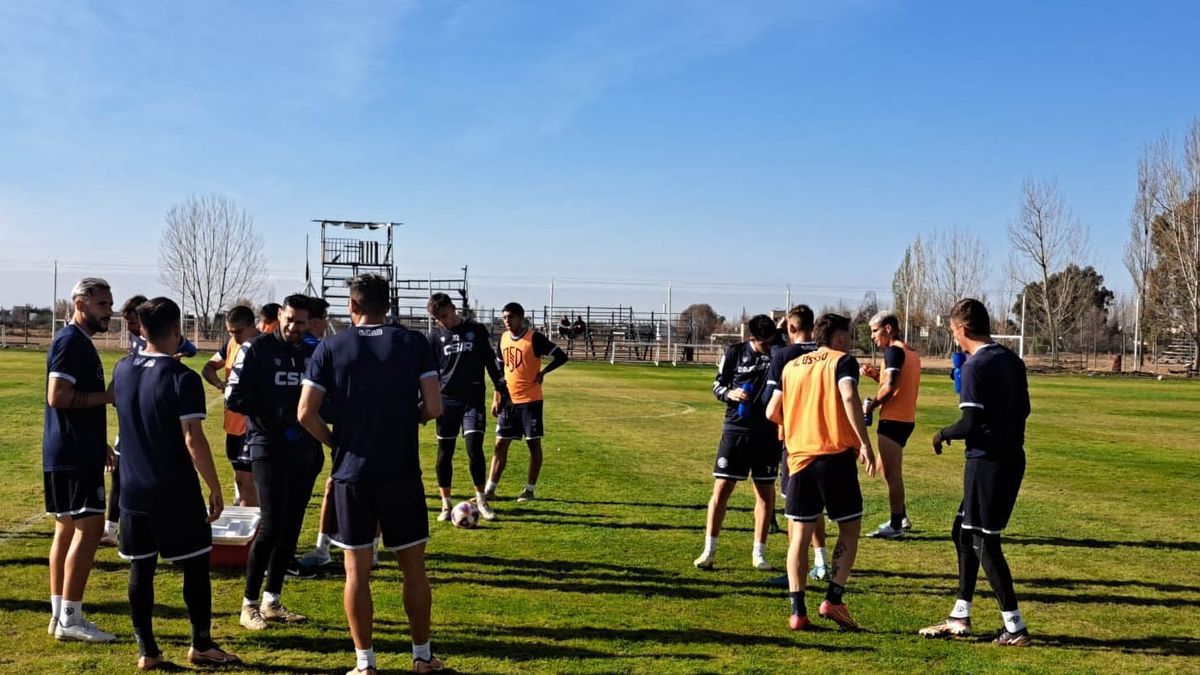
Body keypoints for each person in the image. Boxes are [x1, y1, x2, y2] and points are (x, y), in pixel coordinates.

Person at [298, 273, 445, 674]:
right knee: (413, 567)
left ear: (353, 306)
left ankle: (365, 663)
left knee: (355, 572)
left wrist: (335, 442)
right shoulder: (413, 343)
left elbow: (304, 413)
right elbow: (433, 407)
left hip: (351, 473)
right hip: (400, 471)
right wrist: (409, 417)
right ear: (389, 306)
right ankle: (422, 657)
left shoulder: (329, 347)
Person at [112, 297, 240, 669]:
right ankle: (201, 644)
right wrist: (215, 487)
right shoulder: (181, 377)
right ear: (175, 329)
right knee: (196, 566)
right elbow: (192, 438)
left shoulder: (122, 369)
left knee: (142, 567)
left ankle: (147, 651)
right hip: (173, 491)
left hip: (132, 489)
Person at [920, 299, 1031, 646]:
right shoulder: (1013, 360)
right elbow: (1023, 410)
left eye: (953, 331)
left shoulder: (974, 366)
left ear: (962, 329)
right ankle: (960, 614)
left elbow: (970, 422)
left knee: (984, 541)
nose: (953, 337)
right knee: (962, 532)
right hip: (1011, 458)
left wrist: (941, 435)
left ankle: (1014, 627)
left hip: (987, 462)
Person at [766, 313, 877, 631]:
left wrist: (799, 423)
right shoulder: (842, 362)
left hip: (798, 459)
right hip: (834, 457)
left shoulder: (791, 367)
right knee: (850, 529)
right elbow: (848, 395)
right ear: (839, 338)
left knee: (798, 537)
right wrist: (865, 443)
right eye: (849, 335)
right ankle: (834, 599)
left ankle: (797, 612)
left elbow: (772, 411)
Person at [225, 294, 320, 630]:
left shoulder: (313, 351)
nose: (293, 327)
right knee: (271, 523)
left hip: (304, 448)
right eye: (289, 319)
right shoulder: (257, 349)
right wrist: (279, 414)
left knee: (291, 526)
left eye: (301, 322)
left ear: (310, 323)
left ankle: (273, 600)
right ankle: (248, 604)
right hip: (267, 445)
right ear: (280, 315)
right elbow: (233, 397)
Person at [43, 277, 117, 643]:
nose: (110, 311)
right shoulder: (72, 342)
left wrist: (98, 442)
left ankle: (59, 615)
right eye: (103, 305)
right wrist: (107, 397)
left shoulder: (76, 342)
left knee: (67, 528)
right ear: (81, 302)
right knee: (90, 528)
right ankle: (72, 618)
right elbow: (58, 396)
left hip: (70, 450)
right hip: (72, 455)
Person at [102, 295, 199, 546]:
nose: (131, 327)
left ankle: (133, 527)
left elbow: (190, 348)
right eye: (128, 323)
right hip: (133, 419)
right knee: (121, 474)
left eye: (133, 322)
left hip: (156, 410)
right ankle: (112, 528)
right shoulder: (128, 359)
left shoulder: (160, 348)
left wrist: (170, 360)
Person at [694, 314, 780, 572]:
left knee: (765, 493)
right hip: (736, 430)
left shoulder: (780, 352)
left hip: (767, 432)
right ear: (751, 338)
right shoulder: (734, 353)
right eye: (763, 343)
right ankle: (709, 551)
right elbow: (717, 386)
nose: (768, 348)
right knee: (722, 488)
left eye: (771, 342)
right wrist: (730, 393)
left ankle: (759, 553)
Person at [762, 305, 830, 584]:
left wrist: (786, 424)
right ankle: (822, 562)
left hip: (795, 442)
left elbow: (770, 402)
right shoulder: (828, 355)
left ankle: (794, 571)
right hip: (825, 438)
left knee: (794, 507)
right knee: (815, 506)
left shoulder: (784, 356)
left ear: (791, 328)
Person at [427, 292, 507, 522]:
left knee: (474, 449)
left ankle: (481, 501)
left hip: (472, 400)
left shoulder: (476, 330)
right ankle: (446, 504)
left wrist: (501, 387)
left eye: (444, 315)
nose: (443, 321)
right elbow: (430, 373)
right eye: (438, 319)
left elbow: (491, 361)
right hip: (446, 401)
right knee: (445, 453)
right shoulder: (434, 337)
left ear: (453, 308)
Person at [484, 302, 568, 503]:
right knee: (500, 445)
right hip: (508, 401)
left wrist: (543, 372)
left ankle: (529, 490)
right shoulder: (503, 339)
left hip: (530, 401)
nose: (507, 321)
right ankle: (489, 490)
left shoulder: (534, 338)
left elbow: (561, 356)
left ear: (521, 318)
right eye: (505, 317)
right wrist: (497, 397)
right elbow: (500, 372)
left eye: (511, 317)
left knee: (533, 444)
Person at [861, 311, 922, 540]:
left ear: (888, 328)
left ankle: (896, 524)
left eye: (875, 331)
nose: (873, 337)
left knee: (892, 474)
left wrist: (871, 405)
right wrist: (876, 375)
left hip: (893, 419)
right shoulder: (910, 352)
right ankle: (901, 515)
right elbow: (896, 383)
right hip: (906, 418)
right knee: (886, 471)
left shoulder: (894, 352)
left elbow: (889, 389)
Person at [200, 305, 260, 507]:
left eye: (239, 331)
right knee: (240, 479)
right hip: (232, 425)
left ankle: (254, 532)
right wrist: (219, 384)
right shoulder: (231, 345)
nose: (235, 336)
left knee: (248, 482)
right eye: (230, 332)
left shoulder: (262, 347)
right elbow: (207, 367)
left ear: (253, 325)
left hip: (251, 426)